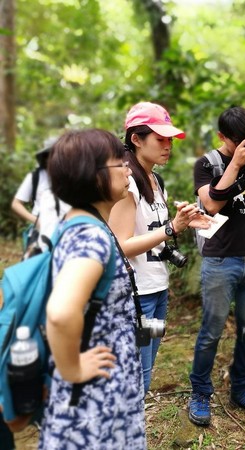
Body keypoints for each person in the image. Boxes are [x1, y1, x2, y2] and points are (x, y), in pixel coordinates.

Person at [38, 129, 145, 448]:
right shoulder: (91, 237)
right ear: (92, 175)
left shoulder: (78, 222)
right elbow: (60, 312)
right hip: (96, 402)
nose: (128, 169)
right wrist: (72, 368)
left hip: (101, 392)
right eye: (119, 164)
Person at [188, 106, 245, 426]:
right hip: (219, 259)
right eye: (238, 141)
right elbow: (212, 202)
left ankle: (241, 390)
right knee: (211, 331)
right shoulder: (207, 164)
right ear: (222, 137)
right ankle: (200, 393)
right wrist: (236, 164)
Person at [109, 101, 212, 395]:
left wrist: (183, 220)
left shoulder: (156, 179)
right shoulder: (126, 184)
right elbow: (122, 246)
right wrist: (171, 228)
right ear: (136, 139)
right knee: (136, 378)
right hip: (135, 295)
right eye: (160, 138)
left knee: (147, 365)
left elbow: (152, 229)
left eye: (170, 139)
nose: (168, 146)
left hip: (157, 289)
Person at [11, 137, 71, 255]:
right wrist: (35, 220)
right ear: (45, 158)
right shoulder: (36, 177)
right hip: (39, 231)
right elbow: (16, 203)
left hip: (65, 230)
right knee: (36, 264)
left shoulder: (71, 178)